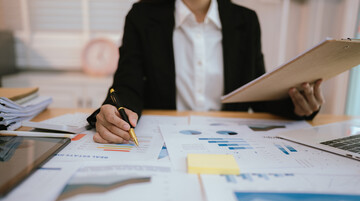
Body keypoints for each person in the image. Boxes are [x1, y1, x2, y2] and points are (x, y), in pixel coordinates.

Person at [87, 0, 324, 144]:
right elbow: (127, 85)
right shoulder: (141, 17)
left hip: (231, 143)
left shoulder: (246, 21)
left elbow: (258, 94)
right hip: (164, 140)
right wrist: (113, 108)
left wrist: (298, 105)